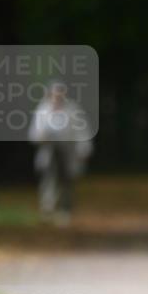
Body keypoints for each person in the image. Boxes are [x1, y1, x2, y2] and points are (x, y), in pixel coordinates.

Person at [28, 81, 93, 225]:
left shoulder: (73, 110)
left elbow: (82, 132)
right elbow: (34, 133)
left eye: (60, 94)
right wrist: (41, 136)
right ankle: (48, 208)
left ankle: (65, 211)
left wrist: (84, 149)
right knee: (49, 180)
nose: (57, 97)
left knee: (67, 181)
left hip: (68, 151)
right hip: (49, 150)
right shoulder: (43, 110)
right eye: (55, 94)